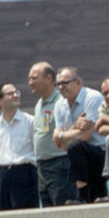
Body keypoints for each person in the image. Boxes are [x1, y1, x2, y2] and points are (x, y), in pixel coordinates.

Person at [52, 66, 109, 203]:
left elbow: (86, 136)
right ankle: (85, 199)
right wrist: (75, 126)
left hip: (101, 155)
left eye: (65, 83)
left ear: (78, 83)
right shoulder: (59, 105)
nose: (61, 87)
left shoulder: (92, 98)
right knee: (97, 202)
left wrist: (61, 135)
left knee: (75, 145)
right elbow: (60, 145)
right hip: (81, 161)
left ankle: (81, 197)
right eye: (58, 84)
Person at [0, 82, 39, 211]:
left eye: (16, 92)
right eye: (10, 93)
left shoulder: (30, 121)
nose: (15, 95)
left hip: (25, 173)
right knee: (3, 217)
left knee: (26, 216)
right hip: (2, 175)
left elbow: (38, 150)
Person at [28, 61, 76, 207]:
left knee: (63, 213)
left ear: (49, 78)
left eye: (34, 78)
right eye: (29, 79)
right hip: (42, 167)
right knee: (48, 217)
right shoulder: (39, 104)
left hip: (60, 164)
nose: (30, 83)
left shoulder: (62, 102)